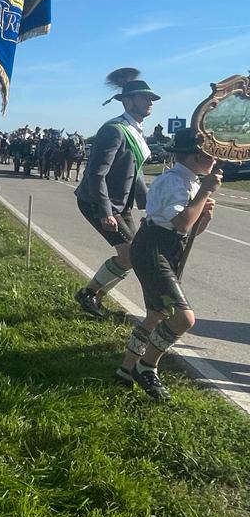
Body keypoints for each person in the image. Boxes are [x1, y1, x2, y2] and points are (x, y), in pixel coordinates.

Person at [116, 129, 223, 400]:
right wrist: (204, 193)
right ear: (196, 156)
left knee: (156, 315)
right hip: (153, 249)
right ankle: (147, 367)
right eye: (210, 155)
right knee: (183, 318)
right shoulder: (174, 181)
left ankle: (126, 369)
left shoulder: (190, 181)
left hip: (166, 248)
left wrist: (205, 216)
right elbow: (181, 224)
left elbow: (189, 232)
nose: (214, 160)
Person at [74, 69, 159, 318]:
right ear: (128, 102)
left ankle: (93, 297)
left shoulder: (134, 131)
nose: (150, 102)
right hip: (97, 202)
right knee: (130, 254)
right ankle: (89, 294)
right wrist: (105, 212)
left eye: (152, 98)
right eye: (144, 97)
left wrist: (150, 206)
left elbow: (136, 173)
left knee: (135, 255)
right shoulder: (115, 130)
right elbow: (96, 174)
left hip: (121, 205)